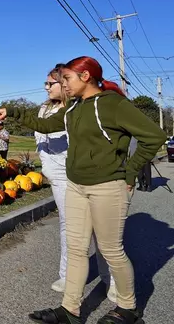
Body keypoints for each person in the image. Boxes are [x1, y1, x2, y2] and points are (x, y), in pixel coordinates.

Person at [0, 56, 164, 324]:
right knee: (77, 249)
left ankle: (128, 309)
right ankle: (70, 310)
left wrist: (130, 171)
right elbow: (46, 125)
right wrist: (11, 112)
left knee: (110, 250)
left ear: (86, 77)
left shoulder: (113, 104)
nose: (63, 85)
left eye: (66, 79)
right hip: (76, 186)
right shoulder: (73, 109)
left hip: (108, 187)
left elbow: (154, 136)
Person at [35, 64, 116, 301]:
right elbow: (41, 140)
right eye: (46, 84)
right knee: (69, 226)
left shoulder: (78, 108)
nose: (46, 88)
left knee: (100, 230)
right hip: (59, 178)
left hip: (85, 175)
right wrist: (47, 168)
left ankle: (110, 279)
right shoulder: (43, 110)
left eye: (51, 83)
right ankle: (68, 275)